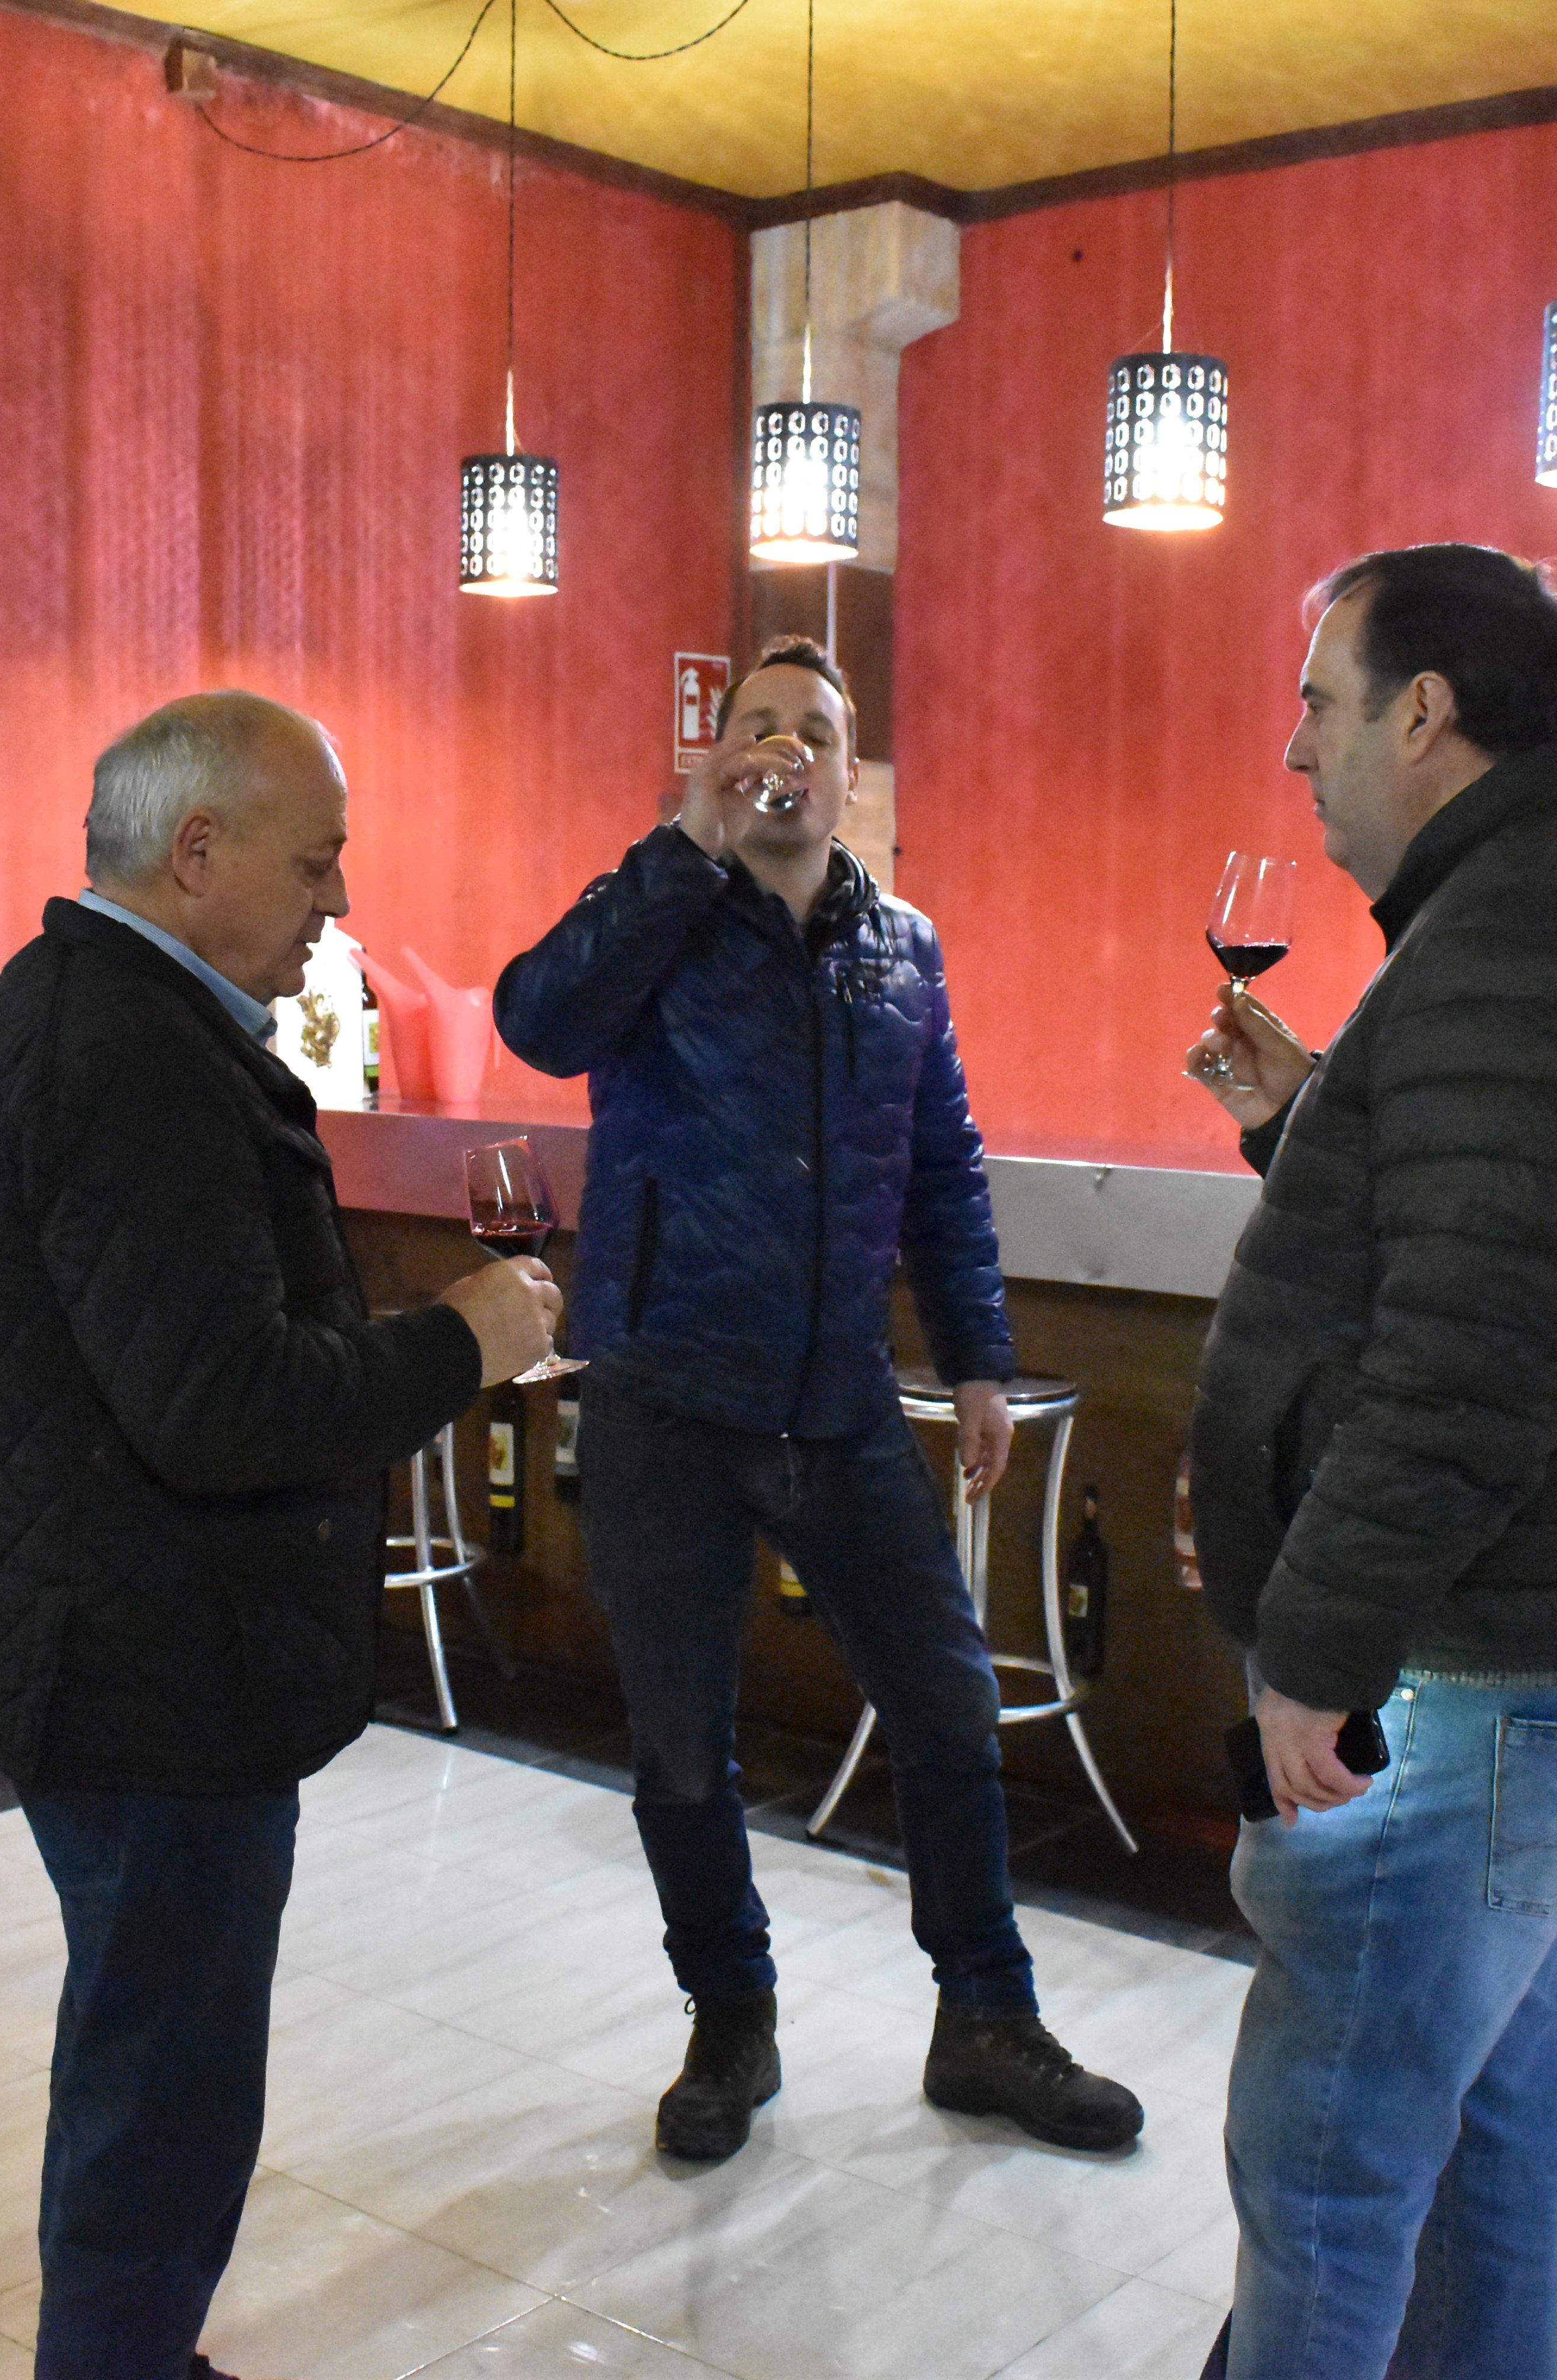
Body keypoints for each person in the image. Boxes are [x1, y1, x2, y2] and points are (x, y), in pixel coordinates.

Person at [0, 693, 560, 2380]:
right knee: (167, 2090)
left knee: (150, 2060)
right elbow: (218, 1405)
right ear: (197, 852)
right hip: (155, 1676)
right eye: (316, 861)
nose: (336, 903)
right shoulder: (128, 1050)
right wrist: (462, 1345)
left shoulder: (100, 1013)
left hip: (136, 1652)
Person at [1182, 547, 1557, 2380]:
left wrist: (1317, 1646)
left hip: (1478, 1666)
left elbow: (1476, 1351)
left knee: (1328, 2165)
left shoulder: (1526, 929)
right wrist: (1307, 1118)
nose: (1294, 752)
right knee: (1485, 2117)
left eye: (1317, 703)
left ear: (1420, 713)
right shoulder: (1542, 902)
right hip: (1528, 1657)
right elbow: (1465, 1246)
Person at [496, 636, 1144, 2164]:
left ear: (854, 777)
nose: (783, 750)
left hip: (841, 1403)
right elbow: (540, 1020)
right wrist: (680, 849)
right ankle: (731, 2020)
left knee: (945, 1697)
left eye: (814, 734)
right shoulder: (656, 913)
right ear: (715, 758)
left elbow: (941, 1169)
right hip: (663, 1395)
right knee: (678, 1741)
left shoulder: (901, 946)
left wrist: (975, 1355)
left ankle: (985, 2014)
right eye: (755, 728)